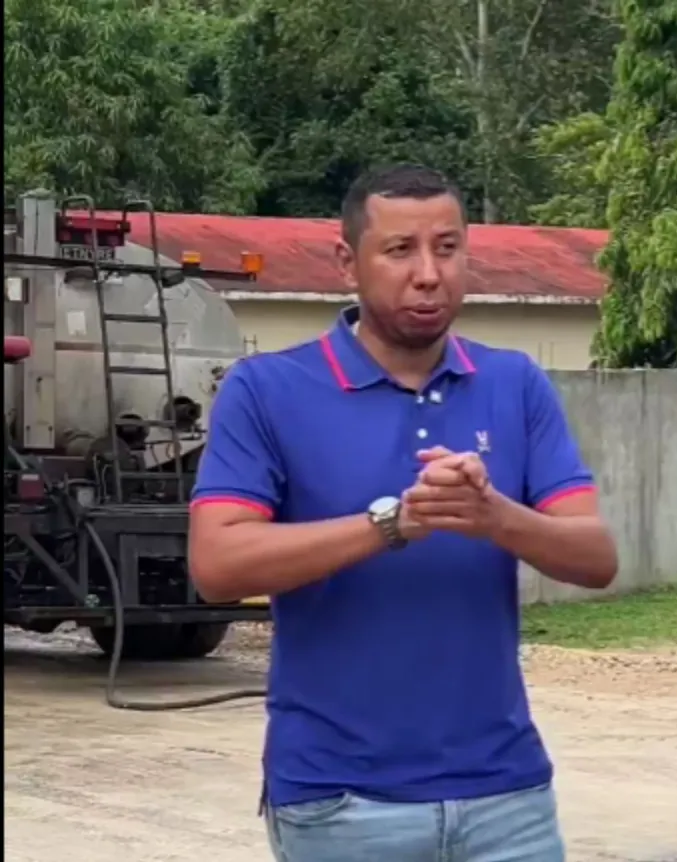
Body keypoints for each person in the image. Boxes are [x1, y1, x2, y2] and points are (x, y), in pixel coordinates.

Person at [187, 163, 619, 862]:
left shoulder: (514, 383)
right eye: (399, 251)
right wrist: (391, 524)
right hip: (342, 804)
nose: (428, 274)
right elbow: (217, 566)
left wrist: (493, 516)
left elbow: (596, 558)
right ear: (345, 261)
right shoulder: (267, 390)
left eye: (447, 249)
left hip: (508, 799)